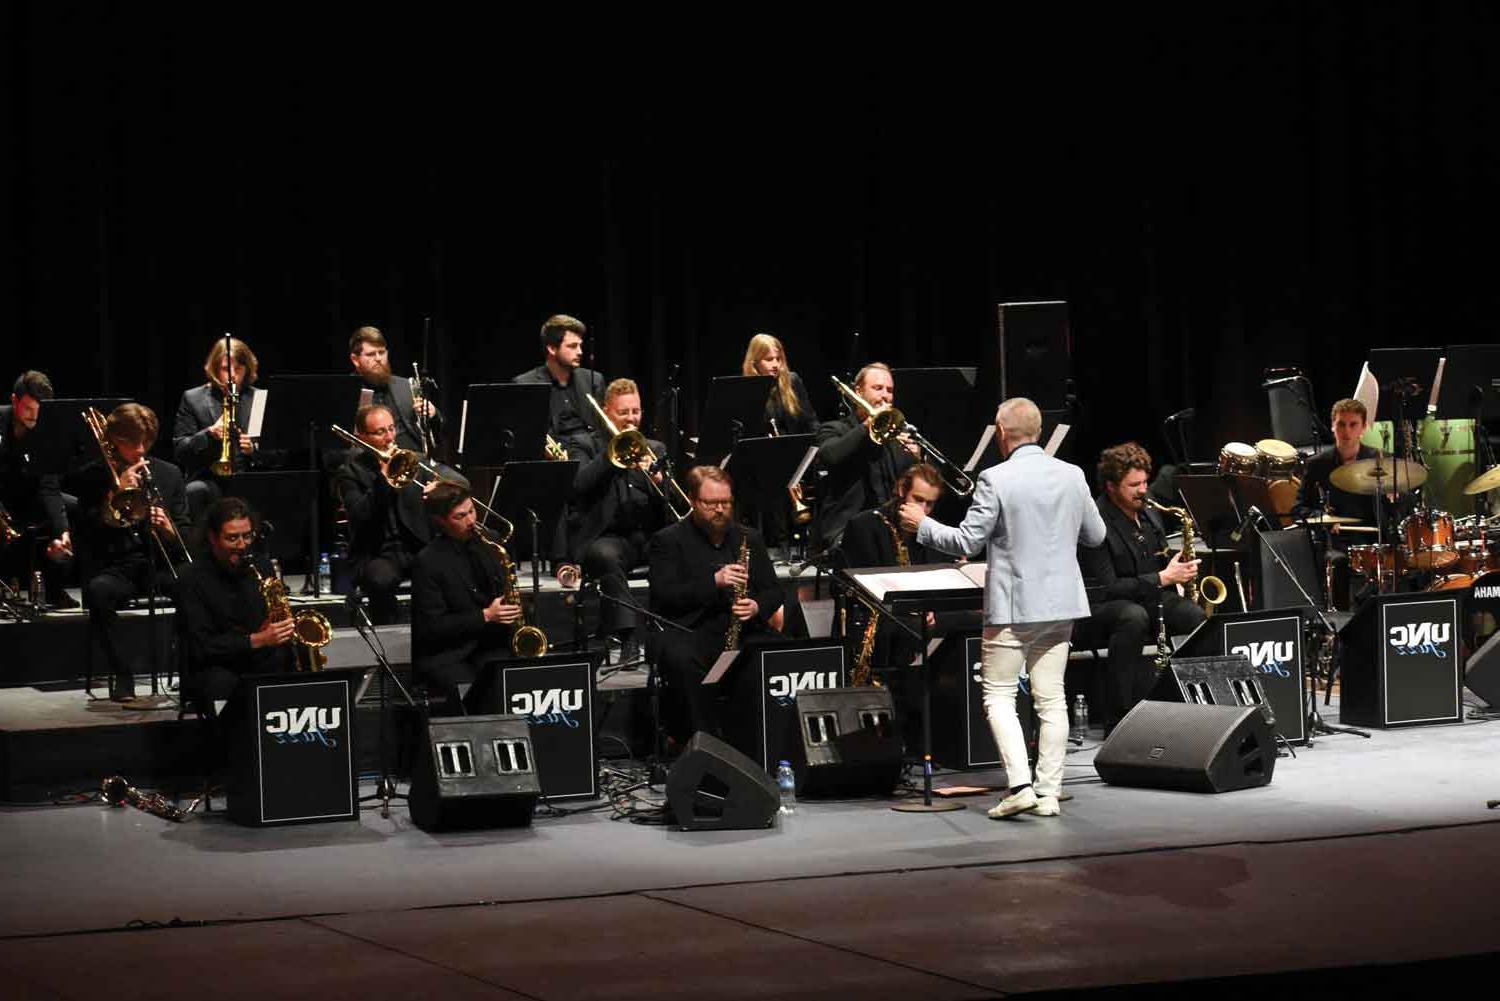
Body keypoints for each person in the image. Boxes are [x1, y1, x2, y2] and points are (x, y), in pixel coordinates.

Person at [900, 397, 1105, 819]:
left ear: (1000, 432)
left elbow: (967, 543)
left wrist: (922, 526)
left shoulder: (995, 478)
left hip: (1014, 608)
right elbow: (1096, 535)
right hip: (1061, 604)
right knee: (1052, 701)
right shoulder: (1072, 474)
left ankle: (1020, 786)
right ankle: (1048, 794)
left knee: (998, 697)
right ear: (1040, 432)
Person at [1075, 442, 1206, 734]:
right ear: (1111, 486)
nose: (1143, 490)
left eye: (1145, 482)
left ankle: (1190, 704)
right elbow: (1108, 588)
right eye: (1133, 484)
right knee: (1133, 617)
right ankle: (1119, 718)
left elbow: (1159, 562)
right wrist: (1162, 578)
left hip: (1148, 597)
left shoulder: (1149, 512)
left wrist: (1179, 569)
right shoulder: (1096, 524)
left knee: (1194, 616)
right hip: (1101, 607)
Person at [649, 466, 783, 741]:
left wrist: (757, 606)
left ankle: (768, 742)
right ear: (693, 501)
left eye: (726, 503)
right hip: (693, 632)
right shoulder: (668, 541)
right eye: (711, 503)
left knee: (779, 652)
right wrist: (715, 581)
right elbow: (665, 597)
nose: (720, 509)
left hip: (743, 633)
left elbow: (774, 591)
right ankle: (704, 744)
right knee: (682, 661)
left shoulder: (749, 538)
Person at [76, 404, 191, 703]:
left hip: (156, 561)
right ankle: (122, 675)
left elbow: (185, 537)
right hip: (116, 565)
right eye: (132, 443)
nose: (140, 450)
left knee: (193, 585)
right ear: (114, 439)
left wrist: (167, 528)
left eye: (147, 442)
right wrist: (115, 495)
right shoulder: (91, 476)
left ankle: (190, 671)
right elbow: (87, 534)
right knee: (99, 591)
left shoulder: (169, 473)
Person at [569, 378, 675, 665]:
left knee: (679, 550)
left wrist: (658, 481)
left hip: (647, 535)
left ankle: (672, 636)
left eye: (636, 411)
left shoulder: (654, 448)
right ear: (606, 411)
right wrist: (613, 454)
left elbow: (671, 506)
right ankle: (629, 640)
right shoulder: (584, 445)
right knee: (605, 557)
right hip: (605, 537)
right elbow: (578, 485)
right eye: (624, 412)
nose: (631, 419)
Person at [174, 497, 295, 712]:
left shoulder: (261, 566)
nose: (242, 545)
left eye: (247, 536)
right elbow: (201, 646)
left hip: (255, 657)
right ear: (212, 538)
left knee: (287, 662)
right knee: (221, 682)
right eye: (232, 538)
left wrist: (277, 624)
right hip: (213, 665)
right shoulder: (190, 578)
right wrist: (258, 639)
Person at [410, 481, 524, 711]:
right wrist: (485, 616)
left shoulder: (490, 543)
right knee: (478, 691)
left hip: (490, 644)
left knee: (517, 679)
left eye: (471, 511)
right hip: (450, 653)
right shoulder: (428, 561)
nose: (471, 521)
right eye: (460, 516)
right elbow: (430, 628)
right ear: (441, 521)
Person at [838, 463, 947, 675]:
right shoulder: (864, 525)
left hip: (920, 613)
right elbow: (855, 586)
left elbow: (938, 577)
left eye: (929, 504)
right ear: (900, 490)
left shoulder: (932, 529)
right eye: (917, 499)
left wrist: (931, 606)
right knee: (911, 629)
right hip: (879, 615)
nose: (922, 510)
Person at [333, 404, 435, 624]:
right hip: (376, 552)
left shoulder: (412, 459)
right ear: (361, 436)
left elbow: (457, 481)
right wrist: (383, 477)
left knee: (446, 565)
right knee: (380, 580)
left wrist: (439, 491)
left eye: (391, 428)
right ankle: (389, 632)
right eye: (381, 432)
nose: (390, 437)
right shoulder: (349, 472)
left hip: (414, 544)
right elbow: (360, 516)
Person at [814, 362, 919, 553]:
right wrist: (867, 425)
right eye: (877, 388)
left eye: (889, 390)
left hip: (891, 529)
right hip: (846, 529)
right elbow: (829, 456)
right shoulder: (835, 429)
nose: (885, 395)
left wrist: (916, 458)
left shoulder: (895, 437)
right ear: (858, 392)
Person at [0, 371, 74, 606]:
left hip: (31, 494)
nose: (35, 416)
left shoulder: (46, 428)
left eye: (39, 409)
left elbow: (49, 484)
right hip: (3, 497)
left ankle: (53, 587)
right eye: (28, 409)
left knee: (75, 510)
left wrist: (62, 530)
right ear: (14, 401)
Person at [172, 336, 261, 525]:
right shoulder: (193, 399)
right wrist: (208, 434)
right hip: (208, 478)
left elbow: (278, 452)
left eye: (238, 369)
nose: (232, 376)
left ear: (248, 369)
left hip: (248, 476)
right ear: (214, 369)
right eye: (225, 369)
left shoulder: (258, 400)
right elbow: (180, 449)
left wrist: (253, 450)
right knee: (195, 491)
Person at [513, 314, 607, 462]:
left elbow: (600, 430)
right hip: (552, 463)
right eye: (572, 346)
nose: (580, 352)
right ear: (551, 348)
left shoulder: (594, 380)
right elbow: (530, 436)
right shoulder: (526, 383)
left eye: (580, 345)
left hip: (590, 457)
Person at [348, 326, 445, 457]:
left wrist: (432, 414)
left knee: (458, 479)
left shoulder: (406, 385)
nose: (378, 358)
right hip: (370, 465)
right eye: (371, 354)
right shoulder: (346, 392)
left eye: (381, 352)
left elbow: (437, 434)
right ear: (355, 360)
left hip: (414, 460)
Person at [742, 333, 817, 436]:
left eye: (778, 359)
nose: (775, 365)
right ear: (755, 362)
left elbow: (811, 421)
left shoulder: (792, 380)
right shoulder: (747, 388)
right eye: (769, 359)